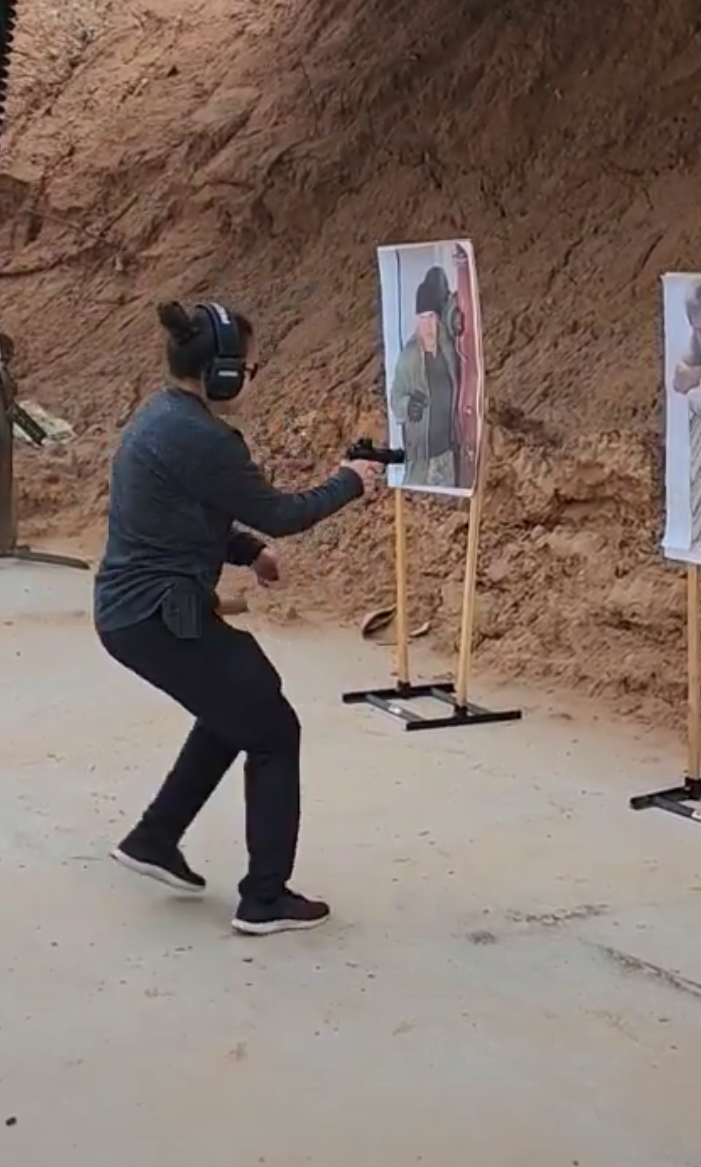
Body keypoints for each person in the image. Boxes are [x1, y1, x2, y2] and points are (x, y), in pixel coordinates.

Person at [93, 301, 382, 937]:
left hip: (136, 613)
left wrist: (247, 552)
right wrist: (351, 481)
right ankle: (265, 898)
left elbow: (179, 514)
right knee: (274, 730)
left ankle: (155, 837)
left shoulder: (162, 418)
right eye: (250, 367)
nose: (254, 377)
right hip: (159, 617)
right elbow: (281, 511)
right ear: (221, 374)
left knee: (240, 704)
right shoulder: (203, 437)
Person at [388, 266, 462, 488]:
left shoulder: (447, 347)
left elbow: (454, 305)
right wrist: (409, 405)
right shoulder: (409, 357)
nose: (428, 325)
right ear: (416, 320)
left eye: (431, 317)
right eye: (422, 318)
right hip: (421, 460)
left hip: (447, 457)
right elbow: (395, 399)